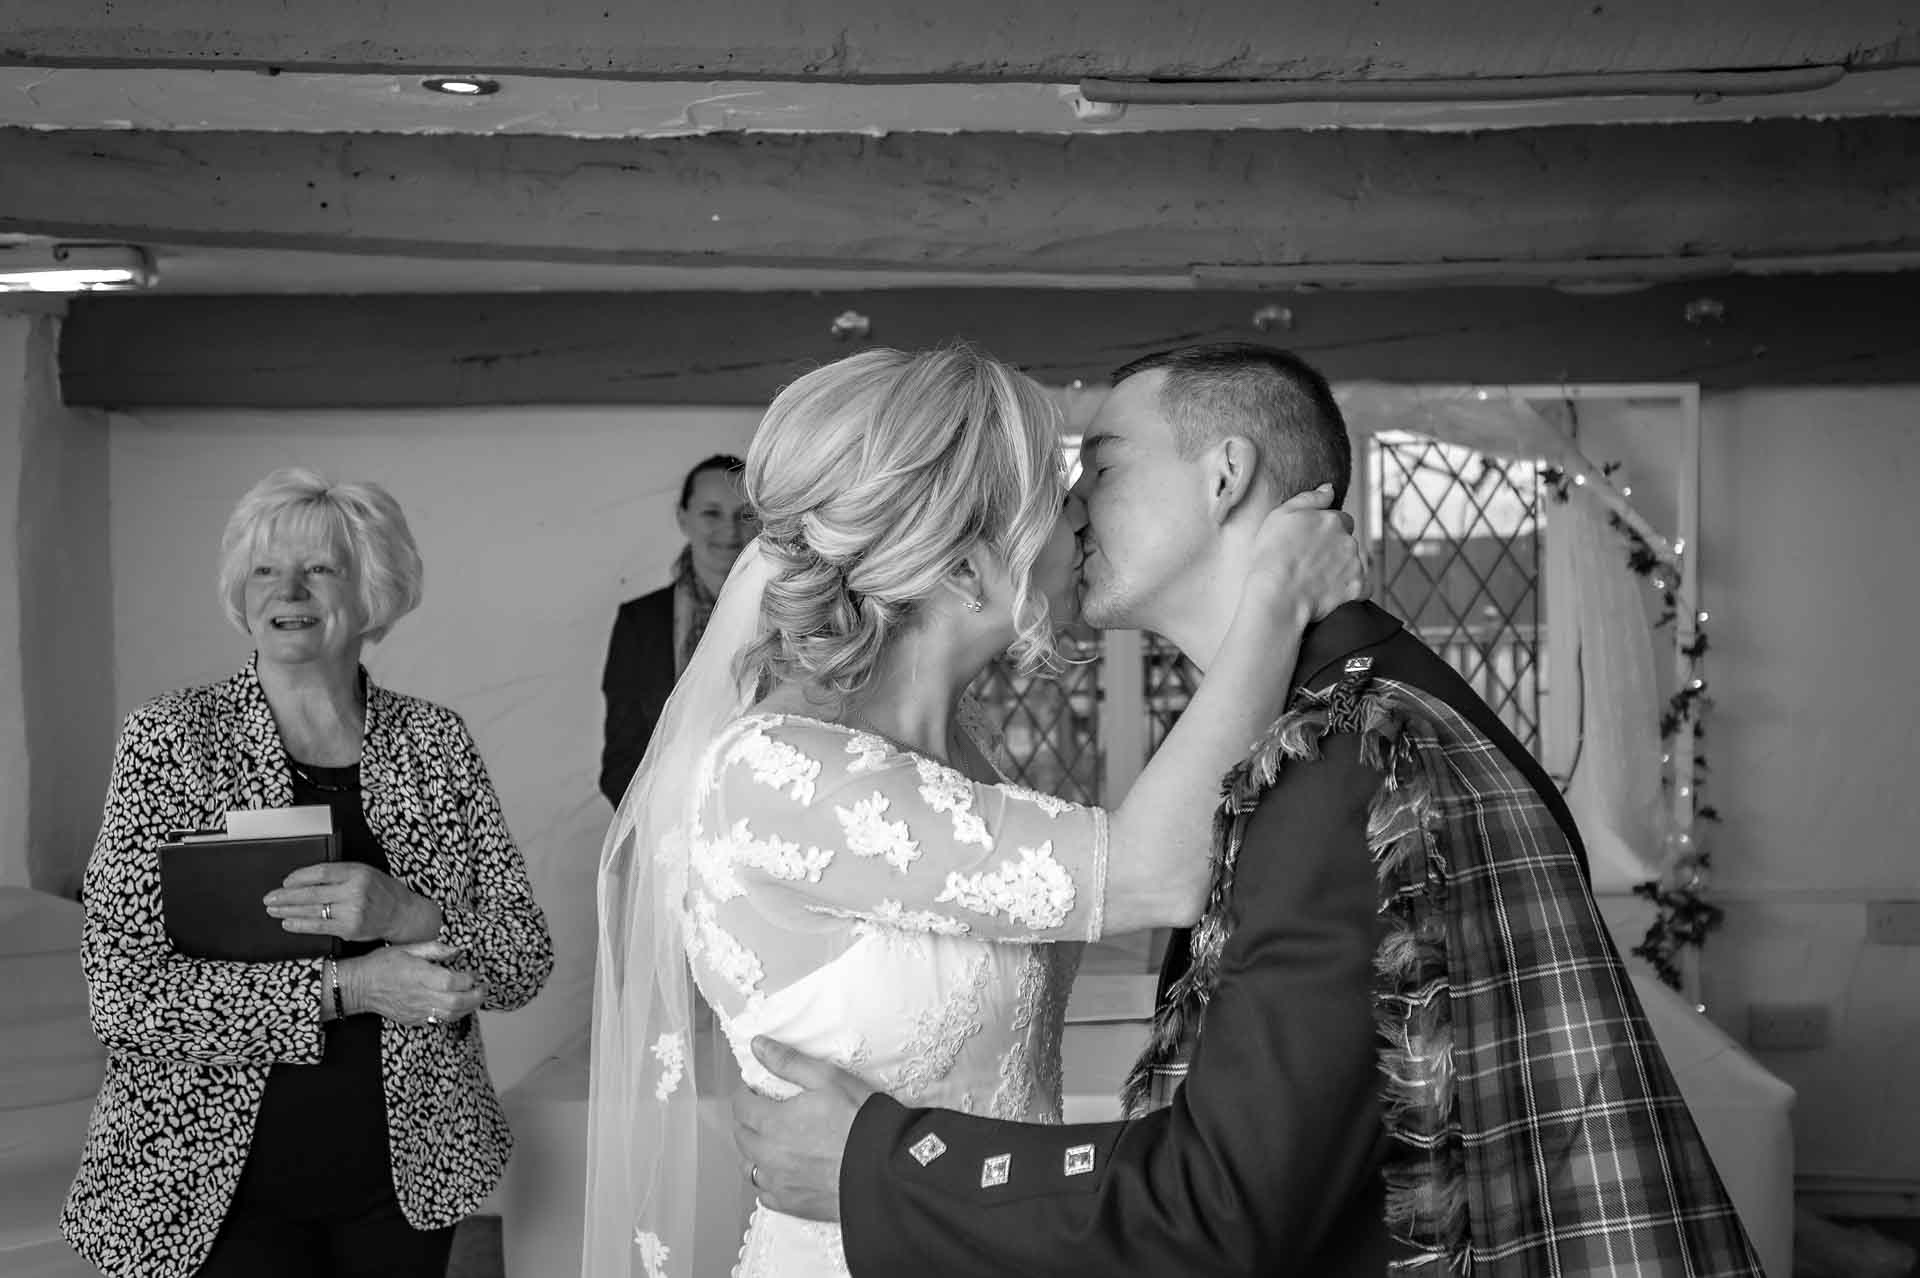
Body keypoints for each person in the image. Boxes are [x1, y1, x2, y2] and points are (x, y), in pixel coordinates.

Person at [732, 344, 1766, 1276]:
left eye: (1105, 466)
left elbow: (1227, 1206)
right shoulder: (1343, 713)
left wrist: (886, 1165)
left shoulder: (1347, 756)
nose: (1073, 509)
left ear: (1225, 476)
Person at [582, 345, 1367, 1278]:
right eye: (1057, 492)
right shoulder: (778, 770)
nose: (1084, 511)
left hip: (994, 1239)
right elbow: (1159, 872)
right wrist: (1278, 598)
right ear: (960, 567)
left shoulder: (970, 756)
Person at [63, 467, 555, 1278]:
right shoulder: (173, 740)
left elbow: (523, 962)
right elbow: (122, 992)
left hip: (405, 1178)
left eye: (320, 567)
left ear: (373, 590)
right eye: (265, 568)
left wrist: (410, 915)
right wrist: (351, 988)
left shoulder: (436, 743)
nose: (288, 587)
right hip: (207, 1180)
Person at [600, 454, 755, 805]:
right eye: (711, 513)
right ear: (682, 517)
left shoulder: (791, 617)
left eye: (744, 514)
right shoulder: (639, 622)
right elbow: (621, 762)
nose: (730, 531)